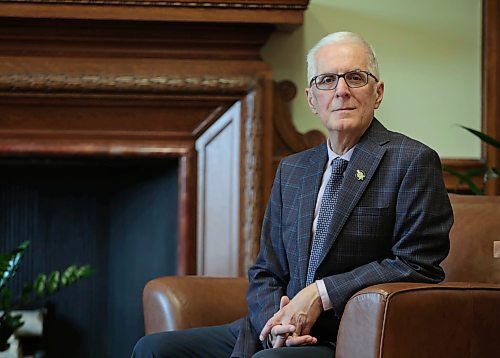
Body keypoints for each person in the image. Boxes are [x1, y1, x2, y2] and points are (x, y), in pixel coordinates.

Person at [132, 31, 453, 358]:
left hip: (345, 337)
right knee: (155, 350)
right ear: (312, 99)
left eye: (355, 77)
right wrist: (275, 325)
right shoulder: (293, 169)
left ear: (378, 92)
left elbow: (417, 264)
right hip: (275, 329)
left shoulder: (411, 160)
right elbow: (266, 270)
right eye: (327, 80)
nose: (341, 90)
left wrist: (320, 293)